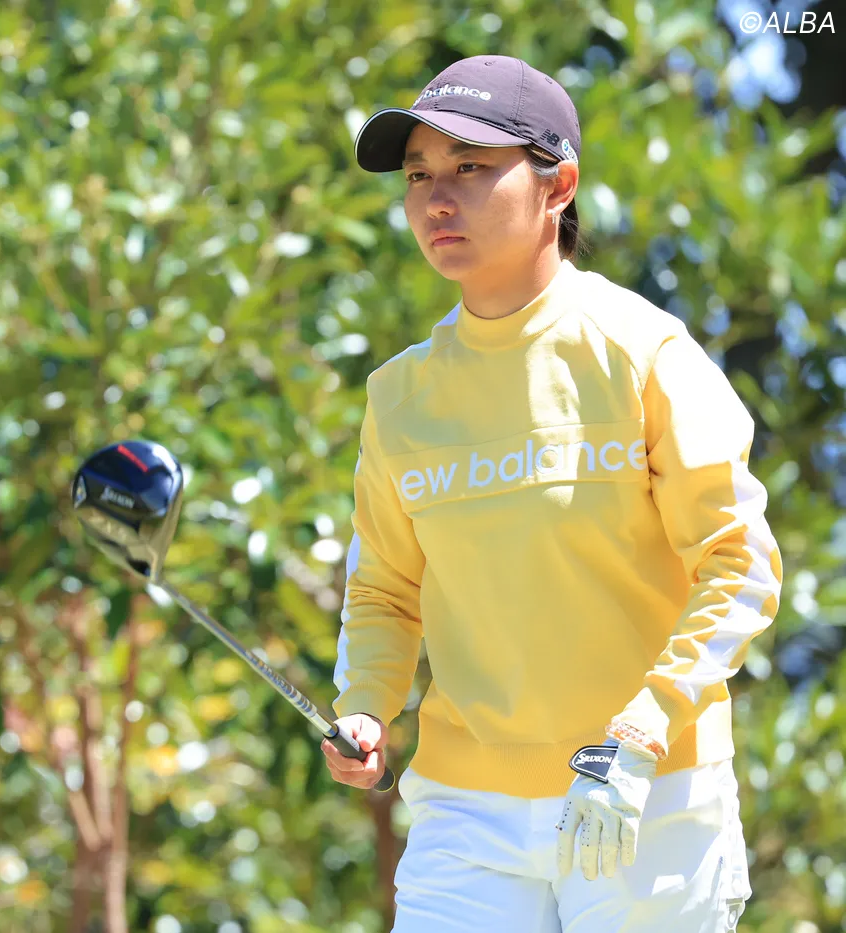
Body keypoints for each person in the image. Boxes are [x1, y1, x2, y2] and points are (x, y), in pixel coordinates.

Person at [319, 54, 782, 933]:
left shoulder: (643, 353)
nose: (436, 199)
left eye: (470, 167)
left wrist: (644, 730)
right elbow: (384, 589)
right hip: (465, 814)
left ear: (557, 185)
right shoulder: (399, 395)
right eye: (417, 175)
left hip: (649, 795)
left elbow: (740, 565)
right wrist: (367, 707)